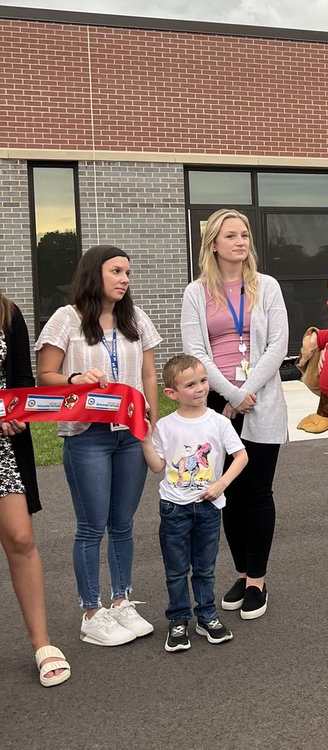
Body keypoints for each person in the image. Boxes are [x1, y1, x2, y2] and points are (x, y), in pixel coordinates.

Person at [36, 245, 160, 647]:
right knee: (92, 527)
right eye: (117, 271)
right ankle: (92, 612)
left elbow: (148, 375)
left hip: (129, 435)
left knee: (123, 524)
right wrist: (75, 380)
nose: (125, 279)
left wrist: (150, 426)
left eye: (128, 272)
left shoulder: (135, 319)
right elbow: (45, 376)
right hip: (86, 435)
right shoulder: (66, 319)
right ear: (95, 274)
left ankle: (122, 600)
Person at [181, 209, 289, 622]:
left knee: (258, 491)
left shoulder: (268, 287)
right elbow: (196, 351)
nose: (241, 242)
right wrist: (226, 394)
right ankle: (242, 573)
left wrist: (244, 394)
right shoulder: (196, 292)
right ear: (213, 244)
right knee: (227, 494)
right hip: (213, 402)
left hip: (259, 401)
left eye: (245, 235)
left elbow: (278, 346)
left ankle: (258, 580)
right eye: (231, 236)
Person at [141, 354, 249, 652]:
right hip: (174, 507)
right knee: (176, 570)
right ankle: (178, 620)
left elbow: (241, 456)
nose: (200, 388)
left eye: (203, 381)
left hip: (208, 507)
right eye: (190, 384)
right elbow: (156, 465)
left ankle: (207, 616)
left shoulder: (219, 422)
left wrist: (220, 485)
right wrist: (144, 441)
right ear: (171, 393)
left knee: (205, 568)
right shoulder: (165, 426)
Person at [1, 290, 70, 686]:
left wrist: (17, 412)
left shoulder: (7, 312)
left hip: (2, 446)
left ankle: (42, 644)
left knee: (21, 539)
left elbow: (23, 382)